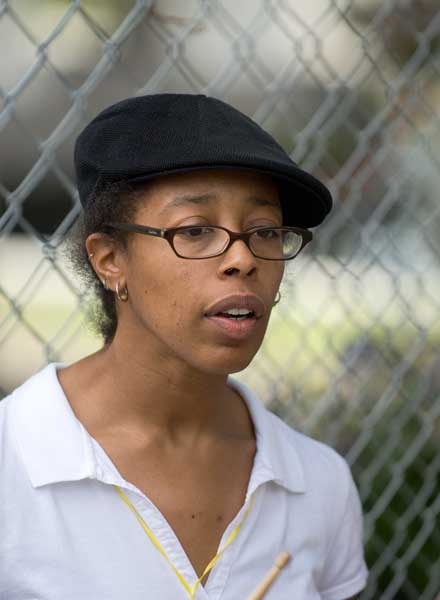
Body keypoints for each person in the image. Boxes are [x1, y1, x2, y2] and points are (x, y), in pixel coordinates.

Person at [0, 94, 368, 599]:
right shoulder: (14, 462)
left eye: (264, 232)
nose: (242, 258)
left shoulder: (316, 484)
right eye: (195, 230)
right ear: (110, 260)